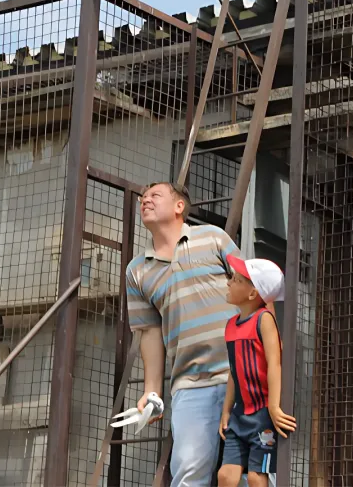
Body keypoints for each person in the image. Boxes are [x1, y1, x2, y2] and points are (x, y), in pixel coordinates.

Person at [125, 182, 242, 486]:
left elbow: (255, 290)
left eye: (155, 195)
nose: (146, 200)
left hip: (240, 375)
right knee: (189, 476)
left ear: (179, 206)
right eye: (143, 197)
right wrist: (152, 391)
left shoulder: (214, 238)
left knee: (250, 475)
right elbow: (149, 331)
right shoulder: (137, 271)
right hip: (190, 385)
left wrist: (265, 361)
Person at [217, 256, 297, 487]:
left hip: (262, 416)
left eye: (236, 280)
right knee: (225, 476)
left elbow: (275, 363)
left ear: (253, 293)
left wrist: (273, 407)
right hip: (239, 415)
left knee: (256, 477)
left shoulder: (264, 319)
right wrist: (226, 410)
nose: (229, 282)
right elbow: (234, 370)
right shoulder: (230, 325)